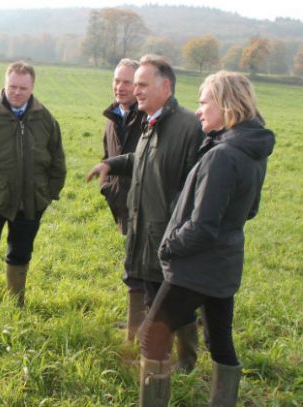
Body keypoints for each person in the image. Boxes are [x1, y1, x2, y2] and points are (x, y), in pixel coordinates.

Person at [137, 71, 275, 407]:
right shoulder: (251, 149)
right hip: (225, 264)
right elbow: (250, 210)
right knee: (221, 342)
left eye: (203, 102)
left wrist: (169, 246)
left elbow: (202, 226)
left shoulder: (223, 155)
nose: (198, 110)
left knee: (150, 338)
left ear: (226, 104)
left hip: (195, 267)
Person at [86, 55, 204, 371]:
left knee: (174, 303)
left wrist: (178, 230)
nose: (135, 90)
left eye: (142, 84)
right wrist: (111, 164)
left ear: (165, 86)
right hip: (146, 231)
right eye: (133, 83)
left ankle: (184, 363)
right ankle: (160, 359)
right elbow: (142, 160)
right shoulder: (152, 122)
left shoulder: (188, 127)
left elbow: (195, 187)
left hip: (169, 236)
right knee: (155, 298)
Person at [0, 61, 66, 309]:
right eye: (12, 87)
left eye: (23, 88)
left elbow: (57, 160)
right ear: (5, 85)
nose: (17, 92)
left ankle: (17, 304)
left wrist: (48, 195)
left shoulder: (45, 119)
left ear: (32, 87)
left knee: (21, 253)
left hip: (31, 202)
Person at [87, 58, 146, 342]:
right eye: (117, 80)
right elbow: (107, 156)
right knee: (136, 264)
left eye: (127, 82)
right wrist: (108, 188)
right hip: (123, 204)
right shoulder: (114, 118)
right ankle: (141, 325)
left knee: (139, 268)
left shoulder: (147, 117)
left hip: (148, 206)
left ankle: (138, 333)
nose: (120, 87)